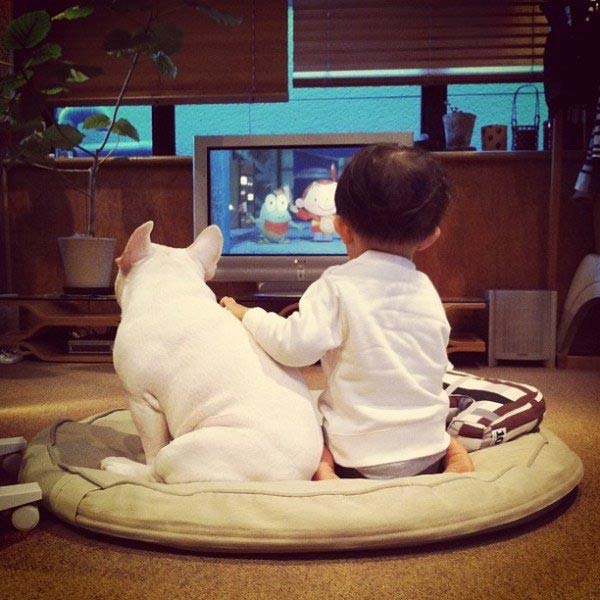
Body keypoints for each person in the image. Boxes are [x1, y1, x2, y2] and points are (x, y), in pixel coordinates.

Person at [220, 144, 474, 480]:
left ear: (341, 227)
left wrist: (246, 315)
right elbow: (436, 360)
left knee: (309, 425)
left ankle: (326, 471)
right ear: (429, 237)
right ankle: (452, 453)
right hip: (427, 451)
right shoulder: (426, 290)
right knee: (430, 404)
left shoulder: (336, 286)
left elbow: (292, 347)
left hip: (358, 458)